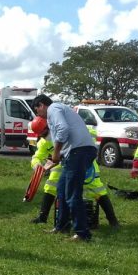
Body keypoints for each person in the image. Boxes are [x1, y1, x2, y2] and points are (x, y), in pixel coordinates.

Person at [29, 116, 120, 230]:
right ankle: (43, 217)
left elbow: (91, 134)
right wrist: (37, 165)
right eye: (41, 135)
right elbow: (37, 157)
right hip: (61, 166)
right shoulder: (44, 142)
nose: (44, 136)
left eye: (45, 132)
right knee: (50, 186)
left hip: (85, 163)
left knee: (97, 190)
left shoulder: (68, 129)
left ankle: (113, 221)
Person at [32, 94, 98, 242]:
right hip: (75, 153)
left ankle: (82, 234)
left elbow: (63, 129)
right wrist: (52, 161)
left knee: (73, 194)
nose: (39, 115)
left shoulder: (53, 109)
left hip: (79, 152)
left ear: (41, 105)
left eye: (37, 111)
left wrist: (55, 153)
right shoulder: (59, 110)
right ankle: (62, 226)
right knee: (61, 190)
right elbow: (66, 140)